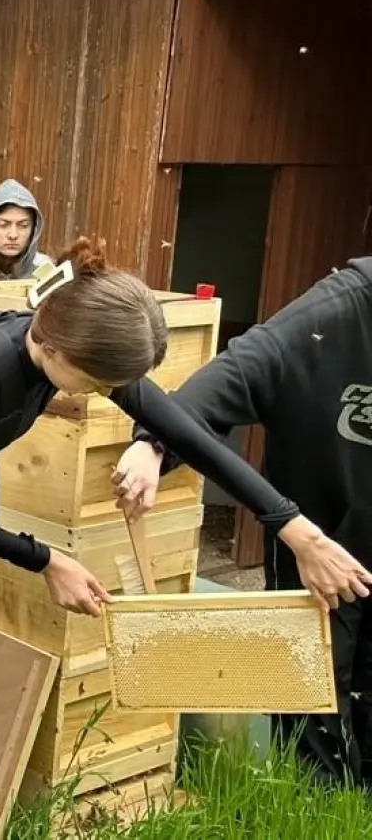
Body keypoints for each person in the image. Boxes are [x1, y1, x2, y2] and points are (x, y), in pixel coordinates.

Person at [0, 239, 367, 840]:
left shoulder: (67, 342)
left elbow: (193, 435)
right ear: (55, 349)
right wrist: (47, 558)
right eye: (100, 382)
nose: (101, 394)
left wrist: (292, 526)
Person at [113, 258, 372, 790]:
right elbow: (222, 383)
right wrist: (152, 443)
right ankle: (317, 816)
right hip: (324, 554)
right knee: (314, 699)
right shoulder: (325, 320)